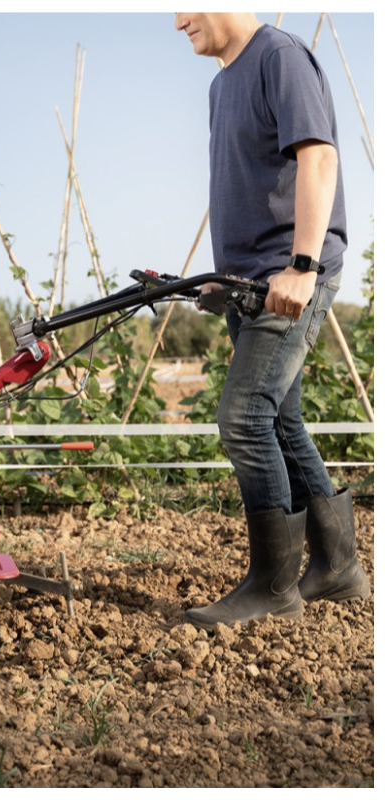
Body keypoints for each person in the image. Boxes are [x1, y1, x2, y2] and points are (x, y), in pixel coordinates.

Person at [173, 13, 370, 629]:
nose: (178, 20)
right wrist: (222, 275)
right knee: (281, 419)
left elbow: (317, 158)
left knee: (244, 416)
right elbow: (245, 185)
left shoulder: (280, 57)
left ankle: (272, 586)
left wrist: (302, 266)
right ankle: (337, 568)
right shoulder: (220, 84)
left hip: (291, 278)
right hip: (250, 284)